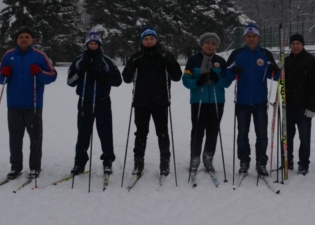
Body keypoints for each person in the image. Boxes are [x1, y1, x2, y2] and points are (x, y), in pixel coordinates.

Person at [0, 27, 57, 180]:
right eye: (21, 36)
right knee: (15, 138)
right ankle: (15, 167)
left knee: (35, 137)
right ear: (17, 39)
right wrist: (4, 74)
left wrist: (40, 73)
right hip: (14, 104)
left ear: (32, 39)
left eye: (27, 37)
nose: (23, 39)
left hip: (33, 104)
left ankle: (35, 167)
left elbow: (52, 75)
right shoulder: (9, 55)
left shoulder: (39, 55)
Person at [121, 27, 182, 177]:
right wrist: (131, 65)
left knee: (162, 133)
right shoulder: (137, 56)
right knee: (141, 133)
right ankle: (138, 161)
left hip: (160, 102)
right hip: (141, 102)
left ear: (156, 39)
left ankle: (165, 161)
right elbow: (127, 78)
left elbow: (177, 76)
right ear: (142, 41)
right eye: (146, 39)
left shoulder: (164, 55)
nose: (149, 41)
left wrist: (169, 61)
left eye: (151, 38)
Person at [224, 23, 280, 177]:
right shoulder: (236, 54)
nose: (251, 39)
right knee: (242, 134)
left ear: (258, 38)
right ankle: (244, 161)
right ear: (244, 38)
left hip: (260, 102)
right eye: (248, 36)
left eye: (254, 36)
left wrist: (277, 70)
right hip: (242, 102)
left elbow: (274, 76)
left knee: (262, 134)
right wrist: (232, 71)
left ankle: (261, 163)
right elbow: (225, 77)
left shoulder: (264, 54)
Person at [67, 32, 123, 176]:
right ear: (86, 44)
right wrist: (81, 74)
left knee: (105, 132)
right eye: (90, 43)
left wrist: (102, 75)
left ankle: (108, 161)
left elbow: (118, 80)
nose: (93, 46)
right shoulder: (79, 60)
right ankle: (79, 162)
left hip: (102, 100)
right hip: (85, 100)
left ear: (99, 45)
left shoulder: (106, 60)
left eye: (95, 43)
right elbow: (70, 81)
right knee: (83, 132)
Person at [182, 32, 232, 176]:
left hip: (217, 101)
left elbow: (226, 83)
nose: (210, 46)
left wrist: (218, 79)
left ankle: (208, 157)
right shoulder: (193, 60)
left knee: (213, 131)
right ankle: (195, 158)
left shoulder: (221, 62)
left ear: (216, 46)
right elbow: (185, 80)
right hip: (198, 101)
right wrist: (197, 82)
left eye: (213, 43)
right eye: (207, 43)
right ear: (202, 44)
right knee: (197, 131)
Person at [283, 33, 315, 175]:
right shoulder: (286, 61)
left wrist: (312, 107)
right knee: (287, 136)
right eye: (293, 43)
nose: (295, 46)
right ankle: (288, 160)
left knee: (304, 136)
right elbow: (280, 82)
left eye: (298, 43)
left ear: (303, 45)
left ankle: (303, 163)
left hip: (304, 106)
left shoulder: (311, 61)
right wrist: (278, 70)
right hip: (288, 105)